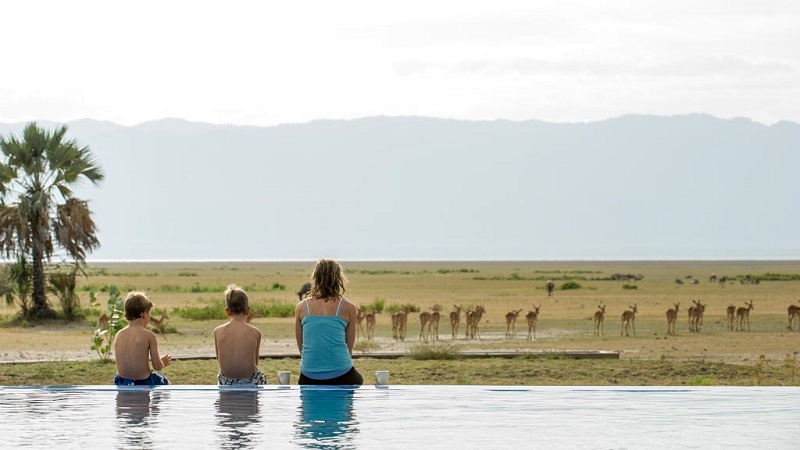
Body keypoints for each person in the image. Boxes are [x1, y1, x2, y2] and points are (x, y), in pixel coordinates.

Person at [295, 259, 363, 385]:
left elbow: (302, 348)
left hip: (308, 375)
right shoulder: (349, 308)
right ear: (338, 279)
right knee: (358, 380)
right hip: (342, 374)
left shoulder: (301, 307)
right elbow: (348, 349)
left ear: (315, 278)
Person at [213, 284, 268, 385]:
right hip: (250, 382)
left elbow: (220, 360)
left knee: (221, 375)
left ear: (227, 311)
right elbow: (255, 363)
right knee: (260, 376)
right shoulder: (255, 333)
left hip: (226, 382)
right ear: (247, 310)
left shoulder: (218, 332)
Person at [114, 291, 171, 385]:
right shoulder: (149, 336)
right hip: (143, 381)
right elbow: (157, 366)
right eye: (149, 313)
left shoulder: (118, 335)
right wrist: (163, 362)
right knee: (168, 384)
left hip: (123, 382)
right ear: (144, 313)